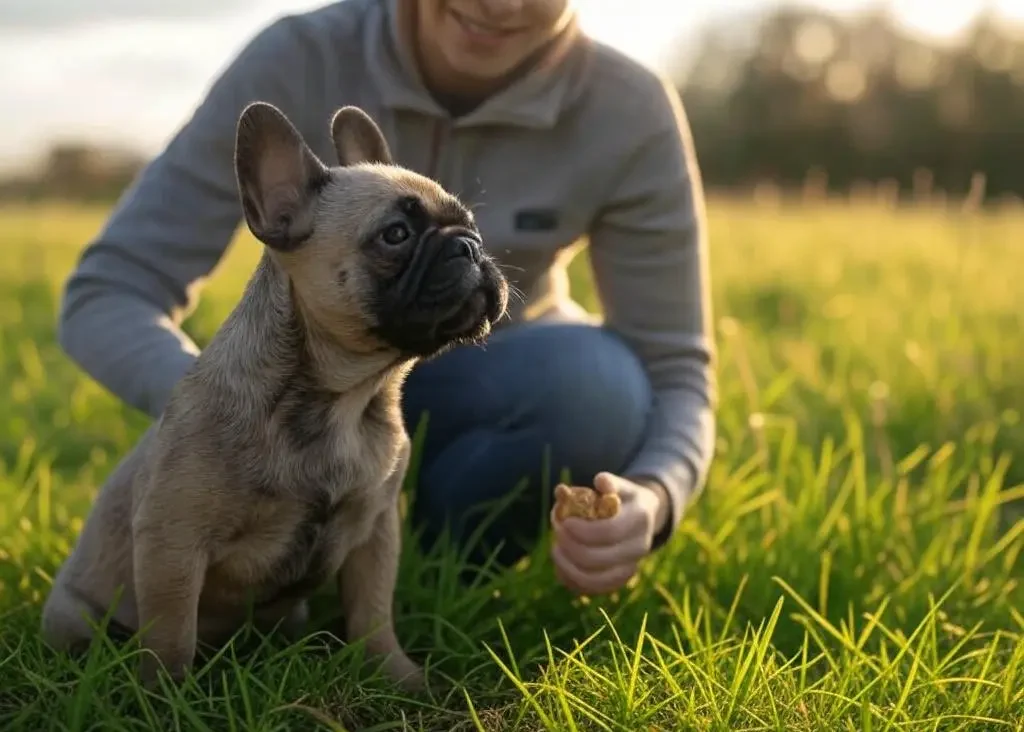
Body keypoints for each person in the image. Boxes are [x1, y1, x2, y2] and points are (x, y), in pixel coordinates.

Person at [58, 0, 717, 597]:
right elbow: (110, 289)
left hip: (498, 382)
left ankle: (423, 572)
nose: (502, 3)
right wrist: (220, 414)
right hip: (300, 387)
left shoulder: (628, 108)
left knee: (596, 386)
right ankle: (280, 570)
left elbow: (676, 364)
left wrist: (655, 499)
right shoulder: (300, 57)